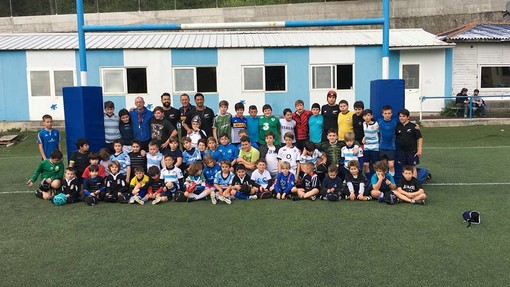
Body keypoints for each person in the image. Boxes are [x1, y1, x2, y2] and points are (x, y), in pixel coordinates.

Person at [395, 109, 423, 178]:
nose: (401, 118)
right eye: (400, 116)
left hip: (412, 151)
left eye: (403, 116)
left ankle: (414, 184)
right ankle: (405, 183)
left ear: (408, 117)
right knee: (404, 167)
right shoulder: (397, 126)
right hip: (402, 151)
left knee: (413, 167)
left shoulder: (413, 126)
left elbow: (420, 138)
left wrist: (420, 149)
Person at [378, 105, 397, 175]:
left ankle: (391, 180)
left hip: (391, 147)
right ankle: (384, 180)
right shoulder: (379, 122)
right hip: (382, 147)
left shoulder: (395, 123)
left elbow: (405, 124)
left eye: (389, 113)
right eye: (385, 113)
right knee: (383, 166)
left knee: (391, 165)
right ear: (382, 114)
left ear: (391, 114)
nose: (387, 115)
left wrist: (416, 126)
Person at [362, 109, 379, 175]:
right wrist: (364, 138)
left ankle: (376, 178)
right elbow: (366, 134)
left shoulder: (376, 124)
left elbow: (379, 133)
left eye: (368, 115)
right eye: (365, 116)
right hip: (366, 147)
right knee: (366, 164)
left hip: (375, 147)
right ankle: (368, 180)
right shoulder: (363, 124)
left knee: (375, 165)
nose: (366, 117)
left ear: (371, 116)